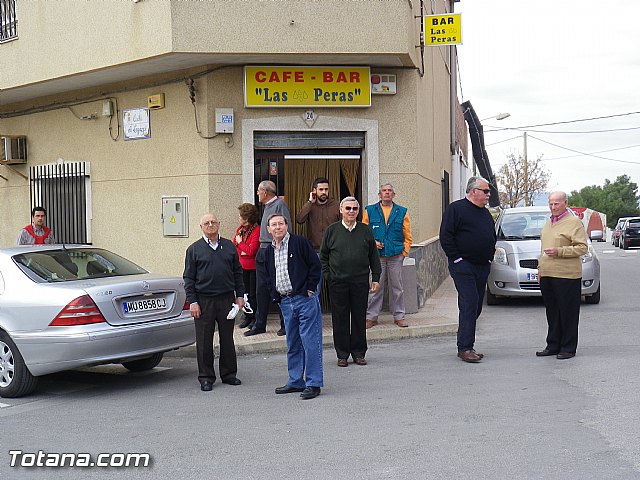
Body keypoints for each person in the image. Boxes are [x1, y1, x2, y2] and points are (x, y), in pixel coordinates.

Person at [264, 214, 323, 400]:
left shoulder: (299, 243)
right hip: (286, 302)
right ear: (268, 229)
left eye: (280, 224)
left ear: (286, 225)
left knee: (310, 342)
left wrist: (311, 289)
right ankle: (296, 380)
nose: (277, 227)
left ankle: (313, 383)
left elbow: (315, 266)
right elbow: (267, 275)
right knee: (293, 343)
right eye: (273, 225)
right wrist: (275, 297)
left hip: (304, 300)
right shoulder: (268, 251)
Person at [183, 213, 245, 391]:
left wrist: (239, 295)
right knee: (204, 341)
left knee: (227, 339)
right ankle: (206, 377)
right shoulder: (193, 249)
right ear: (201, 227)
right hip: (203, 301)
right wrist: (192, 302)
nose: (210, 225)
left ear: (219, 224)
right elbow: (188, 278)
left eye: (213, 222)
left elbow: (237, 273)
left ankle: (229, 374)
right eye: (206, 223)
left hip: (226, 299)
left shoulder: (229, 246)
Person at [439, 176, 496, 363]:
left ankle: (465, 342)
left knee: (477, 305)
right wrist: (457, 259)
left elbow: (491, 236)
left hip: (482, 266)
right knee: (469, 303)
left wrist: (489, 258)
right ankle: (465, 347)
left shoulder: (485, 214)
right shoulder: (456, 209)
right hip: (463, 266)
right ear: (474, 192)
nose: (489, 195)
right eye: (486, 191)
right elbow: (446, 236)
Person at [320, 196, 381, 367]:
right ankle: (342, 354)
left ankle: (359, 353)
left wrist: (376, 277)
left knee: (359, 318)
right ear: (341, 210)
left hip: (360, 282)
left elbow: (373, 257)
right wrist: (328, 275)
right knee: (340, 319)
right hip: (337, 282)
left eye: (354, 209)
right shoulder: (331, 231)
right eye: (348, 208)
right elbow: (323, 256)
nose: (351, 211)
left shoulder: (365, 230)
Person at [536, 191, 587, 360]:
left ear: (565, 203)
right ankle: (553, 345)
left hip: (567, 275)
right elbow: (543, 249)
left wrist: (559, 251)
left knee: (568, 312)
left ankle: (568, 347)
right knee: (552, 312)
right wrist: (540, 270)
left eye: (556, 203)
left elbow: (582, 248)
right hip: (548, 274)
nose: (553, 207)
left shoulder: (574, 222)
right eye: (551, 203)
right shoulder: (548, 223)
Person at [246, 180, 292, 337]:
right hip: (262, 250)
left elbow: (286, 229)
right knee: (261, 289)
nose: (257, 193)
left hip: (273, 249)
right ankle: (260, 324)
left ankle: (285, 324)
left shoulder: (280, 205)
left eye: (259, 190)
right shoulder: (266, 207)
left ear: (266, 192)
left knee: (278, 287)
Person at [363, 183, 413, 328]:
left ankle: (399, 316)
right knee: (375, 286)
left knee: (397, 287)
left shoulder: (402, 211)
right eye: (384, 191)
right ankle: (371, 317)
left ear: (393, 195)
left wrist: (404, 252)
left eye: (390, 191)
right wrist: (372, 243)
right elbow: (363, 232)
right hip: (376, 256)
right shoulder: (370, 210)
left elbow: (407, 235)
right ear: (379, 194)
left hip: (396, 255)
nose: (387, 193)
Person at [295, 177, 341, 294]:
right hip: (315, 251)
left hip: (334, 251)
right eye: (321, 189)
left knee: (337, 285)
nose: (324, 192)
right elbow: (299, 219)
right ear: (314, 190)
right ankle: (316, 312)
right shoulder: (310, 205)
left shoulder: (336, 205)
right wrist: (310, 202)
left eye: (326, 189)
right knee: (315, 287)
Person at [233, 203, 261, 330]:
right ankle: (247, 316)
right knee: (244, 294)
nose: (239, 218)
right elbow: (234, 245)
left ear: (247, 218)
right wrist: (242, 247)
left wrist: (240, 244)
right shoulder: (240, 229)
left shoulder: (256, 230)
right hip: (242, 267)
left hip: (253, 268)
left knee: (253, 295)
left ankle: (254, 317)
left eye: (240, 216)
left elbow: (251, 251)